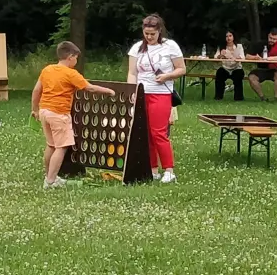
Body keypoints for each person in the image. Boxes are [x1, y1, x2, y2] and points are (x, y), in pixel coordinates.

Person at [32, 41, 115, 188]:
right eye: (76, 58)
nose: (76, 61)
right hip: (59, 114)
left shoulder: (48, 70)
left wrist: (35, 110)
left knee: (51, 145)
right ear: (70, 57)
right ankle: (50, 181)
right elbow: (89, 88)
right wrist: (108, 91)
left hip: (45, 111)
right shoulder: (70, 74)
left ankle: (50, 175)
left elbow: (37, 90)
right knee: (61, 147)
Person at [127, 14, 184, 183]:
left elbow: (181, 69)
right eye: (146, 34)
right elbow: (132, 72)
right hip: (142, 93)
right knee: (145, 134)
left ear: (159, 31)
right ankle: (152, 169)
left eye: (152, 34)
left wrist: (167, 76)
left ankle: (169, 169)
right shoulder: (137, 48)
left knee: (158, 132)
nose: (149, 37)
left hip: (161, 93)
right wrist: (132, 91)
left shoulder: (170, 46)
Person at [249, 31, 277, 100]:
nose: (272, 40)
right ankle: (262, 98)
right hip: (261, 69)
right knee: (251, 77)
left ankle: (276, 98)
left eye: (274, 39)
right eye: (270, 38)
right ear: (268, 36)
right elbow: (247, 56)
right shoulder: (260, 44)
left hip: (274, 69)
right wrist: (255, 57)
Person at [214, 31, 246, 101]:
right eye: (226, 36)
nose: (228, 38)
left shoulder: (238, 46)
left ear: (233, 37)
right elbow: (216, 57)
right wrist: (221, 55)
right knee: (219, 73)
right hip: (225, 68)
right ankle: (218, 97)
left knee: (238, 75)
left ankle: (238, 98)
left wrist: (233, 57)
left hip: (236, 67)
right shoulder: (222, 47)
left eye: (230, 36)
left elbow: (243, 57)